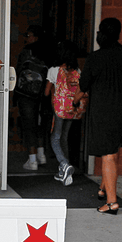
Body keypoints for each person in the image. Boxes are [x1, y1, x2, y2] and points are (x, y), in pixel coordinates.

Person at [79, 17, 122, 215]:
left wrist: (75, 100)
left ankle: (111, 203)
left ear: (101, 33)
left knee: (108, 155)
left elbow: (83, 87)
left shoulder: (95, 58)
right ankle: (103, 187)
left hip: (105, 111)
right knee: (114, 148)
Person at [45, 40, 87, 186]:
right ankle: (63, 173)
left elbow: (46, 92)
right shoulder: (77, 71)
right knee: (64, 137)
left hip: (59, 109)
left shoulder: (54, 70)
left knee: (55, 138)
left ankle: (64, 164)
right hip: (73, 109)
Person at [15, 25, 54, 171]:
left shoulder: (26, 52)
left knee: (28, 124)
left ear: (35, 37)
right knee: (41, 124)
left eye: (29, 35)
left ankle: (32, 160)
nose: (27, 38)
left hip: (27, 94)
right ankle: (41, 155)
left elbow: (19, 71)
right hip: (44, 93)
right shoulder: (48, 52)